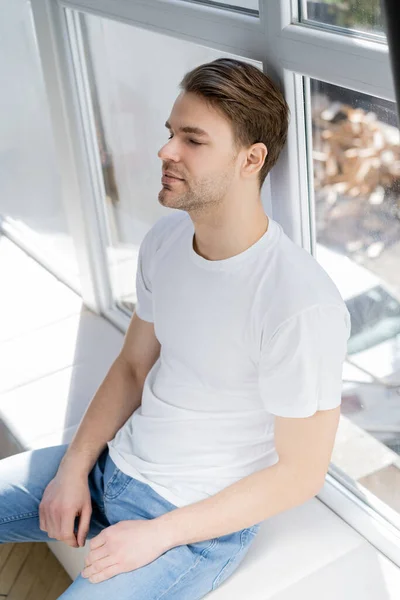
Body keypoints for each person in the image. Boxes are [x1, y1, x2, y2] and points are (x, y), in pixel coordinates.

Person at [0, 58, 351, 599]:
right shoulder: (165, 242)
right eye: (170, 133)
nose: (166, 150)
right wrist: (74, 467)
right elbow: (133, 366)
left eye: (193, 139)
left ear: (250, 159)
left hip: (187, 527)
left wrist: (157, 535)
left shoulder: (299, 303)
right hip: (112, 466)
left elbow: (301, 474)